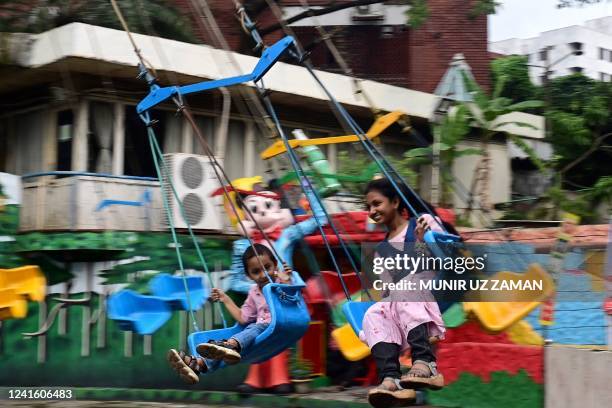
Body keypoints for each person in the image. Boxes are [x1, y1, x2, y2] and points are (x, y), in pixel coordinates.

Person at [362, 178, 446, 408]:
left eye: (377, 204)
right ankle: (391, 379)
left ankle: (425, 362)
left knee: (405, 286)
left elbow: (444, 260)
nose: (372, 211)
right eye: (369, 207)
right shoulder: (381, 250)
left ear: (396, 201)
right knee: (373, 313)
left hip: (435, 291)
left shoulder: (422, 223)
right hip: (404, 300)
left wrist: (420, 241)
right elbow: (388, 290)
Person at [166, 243, 291, 384]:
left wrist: (287, 281)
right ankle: (199, 364)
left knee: (253, 328)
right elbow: (243, 318)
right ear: (248, 275)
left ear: (275, 265)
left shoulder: (282, 283)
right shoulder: (253, 292)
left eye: (267, 268)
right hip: (259, 331)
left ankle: (228, 345)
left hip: (279, 324)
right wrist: (225, 299)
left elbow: (291, 301)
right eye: (256, 271)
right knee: (237, 338)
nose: (263, 275)